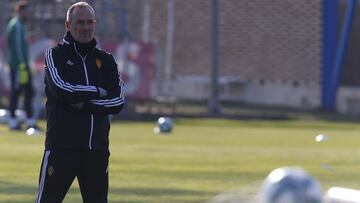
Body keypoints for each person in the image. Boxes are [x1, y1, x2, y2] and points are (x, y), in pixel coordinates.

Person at [35, 2, 125, 203]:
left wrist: (85, 105)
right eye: (80, 22)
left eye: (89, 22)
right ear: (68, 25)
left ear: (94, 24)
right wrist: (97, 91)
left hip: (96, 150)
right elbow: (62, 89)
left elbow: (118, 101)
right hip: (61, 148)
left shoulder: (107, 60)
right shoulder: (55, 55)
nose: (85, 27)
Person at [5, 0, 39, 131]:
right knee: (18, 92)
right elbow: (18, 48)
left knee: (27, 91)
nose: (28, 14)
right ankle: (14, 121)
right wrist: (23, 65)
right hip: (19, 66)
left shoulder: (20, 25)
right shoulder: (17, 25)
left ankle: (28, 120)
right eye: (26, 11)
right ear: (20, 11)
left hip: (21, 65)